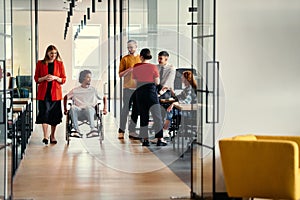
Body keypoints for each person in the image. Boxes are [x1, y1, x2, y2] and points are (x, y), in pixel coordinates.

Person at [132, 48, 167, 146]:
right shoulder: (153, 67)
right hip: (151, 92)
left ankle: (145, 139)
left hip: (140, 92)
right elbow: (157, 82)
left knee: (144, 115)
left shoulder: (136, 66)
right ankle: (160, 139)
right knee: (157, 116)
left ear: (141, 57)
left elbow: (134, 83)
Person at [34, 45, 66, 145]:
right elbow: (36, 79)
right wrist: (44, 78)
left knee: (54, 116)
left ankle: (52, 135)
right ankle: (45, 136)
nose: (53, 55)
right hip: (43, 94)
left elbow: (63, 79)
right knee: (44, 113)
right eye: (51, 53)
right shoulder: (40, 63)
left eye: (55, 53)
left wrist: (55, 77)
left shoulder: (60, 64)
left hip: (55, 94)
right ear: (47, 53)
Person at [63, 70, 107, 138]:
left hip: (91, 111)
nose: (90, 79)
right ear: (83, 78)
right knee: (72, 107)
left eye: (90, 77)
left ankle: (93, 129)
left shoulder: (93, 90)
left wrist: (105, 109)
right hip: (79, 112)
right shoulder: (75, 90)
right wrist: (65, 109)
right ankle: (76, 130)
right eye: (88, 77)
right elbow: (65, 97)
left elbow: (104, 97)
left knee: (88, 107)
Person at [118, 40, 141, 140]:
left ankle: (132, 131)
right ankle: (121, 131)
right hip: (127, 88)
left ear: (136, 46)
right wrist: (129, 70)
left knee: (136, 110)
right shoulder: (125, 59)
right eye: (128, 47)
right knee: (125, 110)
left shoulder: (141, 58)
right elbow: (120, 75)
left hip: (139, 89)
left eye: (131, 47)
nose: (130, 49)